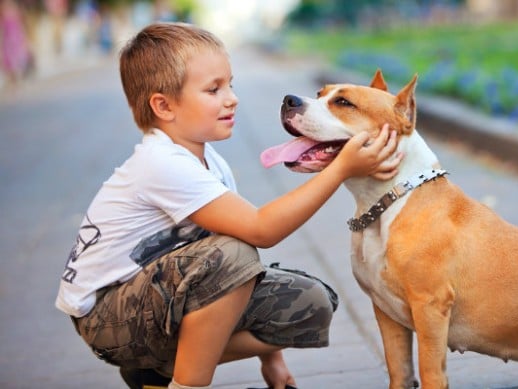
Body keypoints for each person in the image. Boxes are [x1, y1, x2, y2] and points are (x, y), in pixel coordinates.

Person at [55, 22, 402, 389]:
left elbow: (239, 263)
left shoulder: (211, 163)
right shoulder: (160, 163)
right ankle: (186, 384)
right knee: (234, 254)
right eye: (213, 89)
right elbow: (260, 231)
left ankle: (154, 370)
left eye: (230, 84)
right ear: (164, 105)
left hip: (159, 304)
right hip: (108, 319)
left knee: (310, 304)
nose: (231, 98)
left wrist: (273, 360)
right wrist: (341, 168)